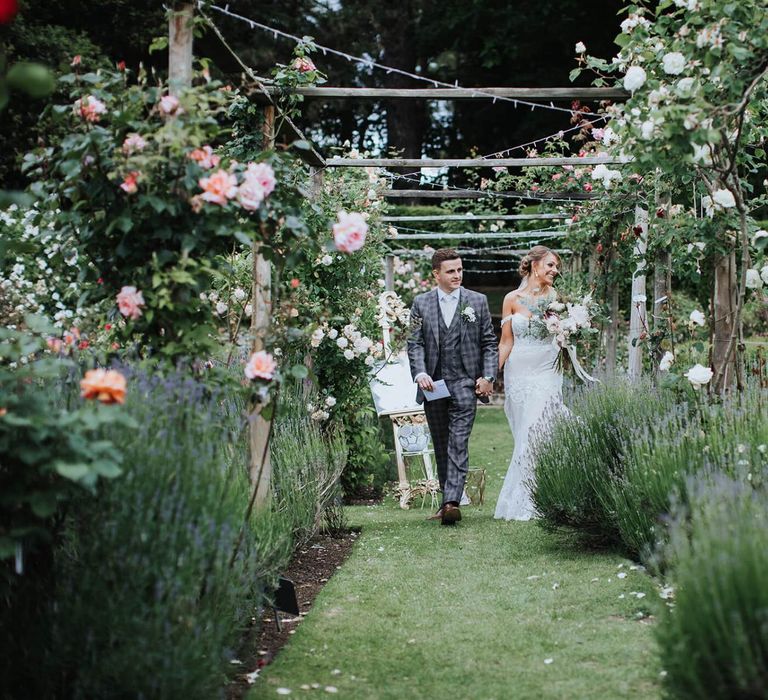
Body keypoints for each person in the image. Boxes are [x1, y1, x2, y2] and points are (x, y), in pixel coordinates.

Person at [407, 248, 498, 526]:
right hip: (434, 385)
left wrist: (488, 377)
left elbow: (489, 344)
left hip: (465, 383)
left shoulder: (477, 301)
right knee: (442, 442)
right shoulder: (421, 303)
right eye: (451, 271)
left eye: (459, 270)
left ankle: (451, 501)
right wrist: (420, 372)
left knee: (458, 441)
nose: (457, 275)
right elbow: (414, 342)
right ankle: (448, 500)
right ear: (436, 274)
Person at [494, 246, 565, 521]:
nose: (554, 270)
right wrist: (491, 375)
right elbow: (506, 341)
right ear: (534, 266)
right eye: (549, 265)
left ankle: (534, 498)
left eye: (556, 266)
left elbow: (561, 335)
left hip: (547, 370)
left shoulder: (556, 298)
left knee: (538, 430)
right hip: (519, 373)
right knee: (523, 431)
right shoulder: (511, 299)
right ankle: (525, 495)